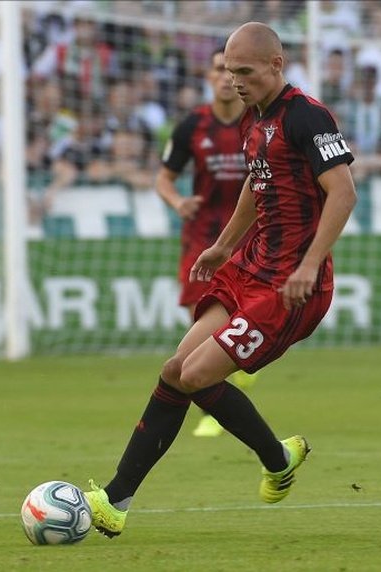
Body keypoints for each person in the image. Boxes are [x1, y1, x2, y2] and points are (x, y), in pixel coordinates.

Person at [83, 21, 358, 538]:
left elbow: (343, 193)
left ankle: (274, 458)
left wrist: (308, 265)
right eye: (230, 72)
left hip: (290, 289)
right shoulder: (255, 120)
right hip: (249, 267)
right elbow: (258, 184)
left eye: (245, 72)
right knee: (175, 369)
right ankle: (117, 501)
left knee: (196, 376)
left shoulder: (308, 116)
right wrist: (224, 245)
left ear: (276, 65)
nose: (235, 81)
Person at [155, 46, 260, 438]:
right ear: (209, 77)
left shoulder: (259, 122)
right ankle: (217, 400)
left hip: (249, 239)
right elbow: (163, 178)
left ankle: (220, 399)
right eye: (218, 69)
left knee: (240, 319)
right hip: (203, 238)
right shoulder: (192, 126)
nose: (225, 77)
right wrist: (177, 201)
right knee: (199, 324)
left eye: (230, 70)